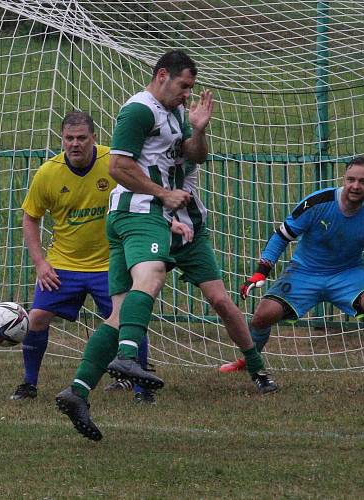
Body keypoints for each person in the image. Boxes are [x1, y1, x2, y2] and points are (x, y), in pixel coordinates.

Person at [55, 50, 276, 441]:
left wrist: (199, 130)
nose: (187, 94)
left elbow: (194, 158)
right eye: (184, 86)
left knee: (207, 302)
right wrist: (163, 195)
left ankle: (77, 391)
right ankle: (126, 358)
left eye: (191, 88)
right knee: (151, 278)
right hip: (141, 213)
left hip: (178, 218)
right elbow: (118, 166)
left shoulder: (174, 112)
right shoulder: (138, 111)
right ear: (162, 76)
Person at [222, 156, 364, 378]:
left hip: (348, 275)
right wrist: (261, 272)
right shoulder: (318, 203)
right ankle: (249, 361)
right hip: (304, 272)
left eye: (363, 181)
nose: (355, 186)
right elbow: (282, 236)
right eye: (351, 179)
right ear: (344, 178)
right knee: (263, 315)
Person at [12, 111, 154, 403]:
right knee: (37, 318)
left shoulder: (113, 165)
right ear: (62, 139)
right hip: (64, 264)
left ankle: (142, 388)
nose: (75, 144)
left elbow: (142, 197)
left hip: (109, 263)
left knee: (128, 319)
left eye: (81, 138)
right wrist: (40, 263)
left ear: (94, 138)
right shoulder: (48, 173)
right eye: (69, 138)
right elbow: (30, 218)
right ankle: (28, 384)